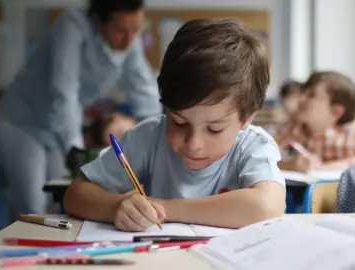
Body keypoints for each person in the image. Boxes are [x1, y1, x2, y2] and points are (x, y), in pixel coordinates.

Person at [63, 19, 286, 231]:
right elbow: (75, 195)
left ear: (246, 119)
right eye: (179, 122)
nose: (194, 144)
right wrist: (115, 208)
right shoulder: (148, 137)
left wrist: (163, 208)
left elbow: (267, 207)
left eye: (214, 129)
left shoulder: (252, 145)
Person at [0, 0, 161, 217]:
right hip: (22, 123)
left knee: (64, 197)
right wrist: (79, 154)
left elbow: (144, 91)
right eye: (121, 30)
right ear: (100, 21)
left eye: (136, 29)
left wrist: (156, 138)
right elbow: (65, 94)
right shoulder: (71, 27)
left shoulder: (129, 40)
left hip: (55, 128)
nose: (129, 39)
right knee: (32, 206)